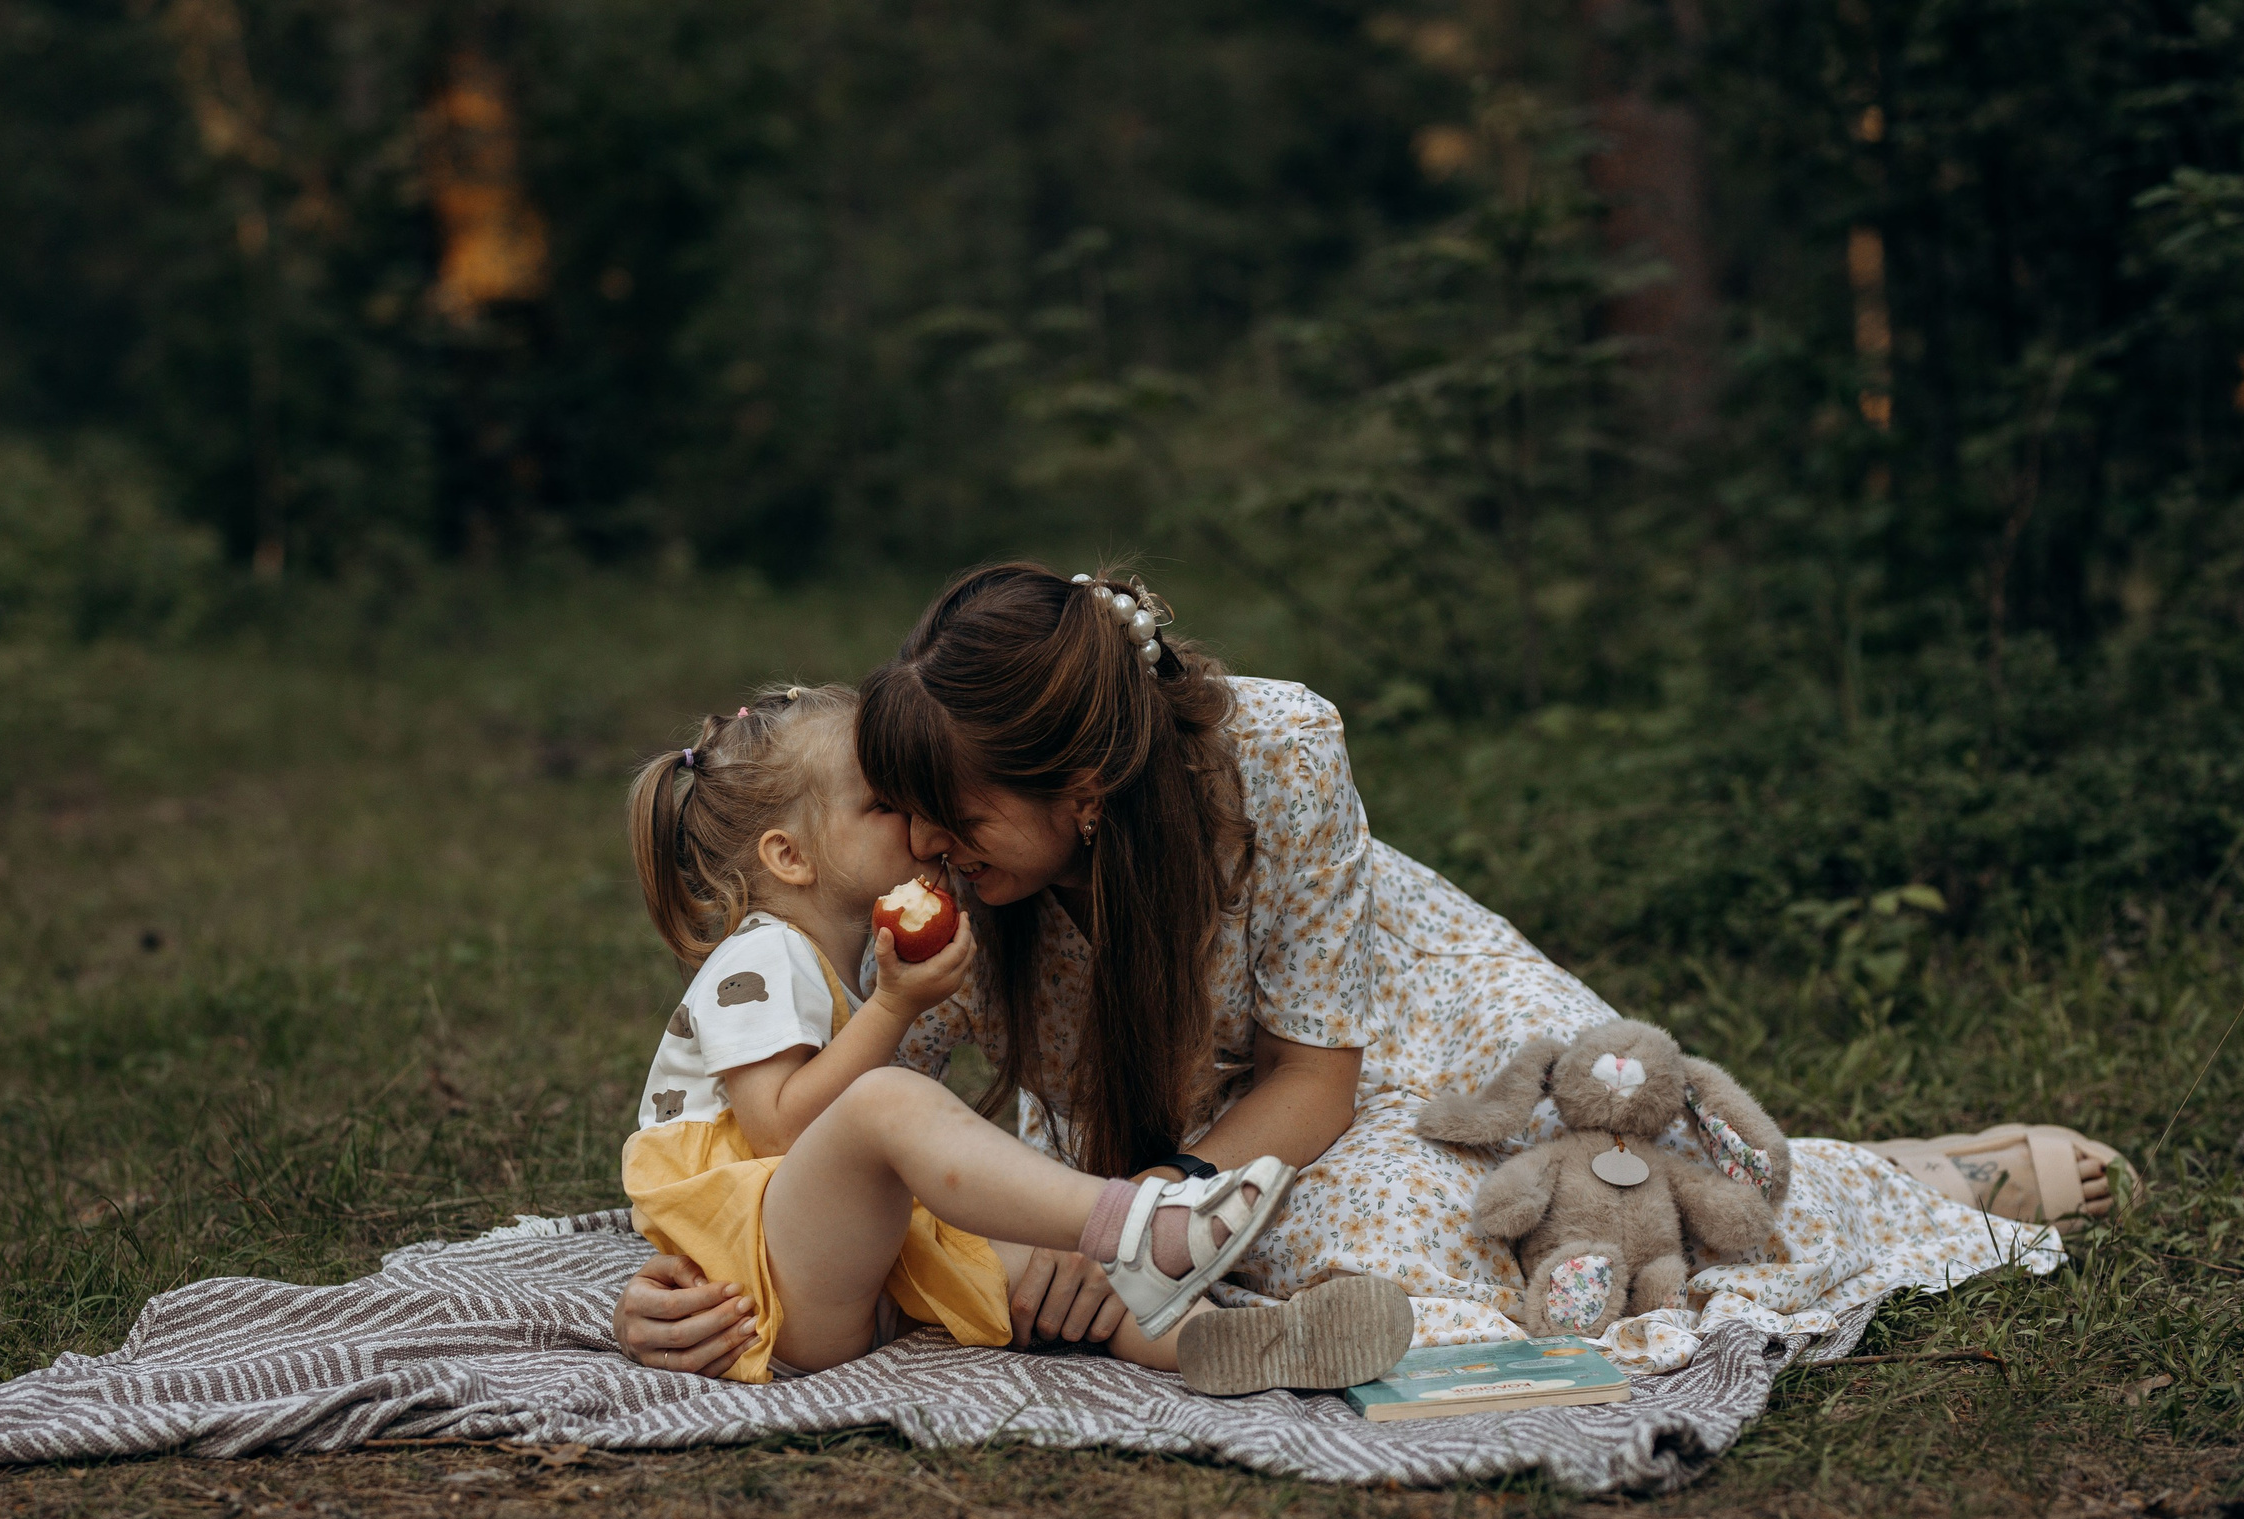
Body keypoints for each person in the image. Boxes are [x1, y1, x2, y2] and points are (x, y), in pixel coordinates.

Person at [618, 564, 2119, 1377]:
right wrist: (700, 1268)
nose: (929, 849)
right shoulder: (957, 863)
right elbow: (844, 1121)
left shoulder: (1276, 749)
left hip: (1372, 1047)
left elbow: (1317, 1075)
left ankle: (1925, 1177)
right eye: (915, 816)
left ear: (1081, 777)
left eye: (962, 817)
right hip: (1174, 1140)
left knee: (1585, 1198)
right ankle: (1211, 1266)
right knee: (1423, 1289)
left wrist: (1163, 1218)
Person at [617, 681, 1413, 1392]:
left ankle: (1234, 1340)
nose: (922, 824)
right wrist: (894, 1009)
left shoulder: (840, 959)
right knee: (890, 1102)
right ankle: (1140, 1224)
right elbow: (783, 1128)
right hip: (768, 1284)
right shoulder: (756, 957)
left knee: (1064, 1270)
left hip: (831, 1266)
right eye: (885, 804)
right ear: (788, 856)